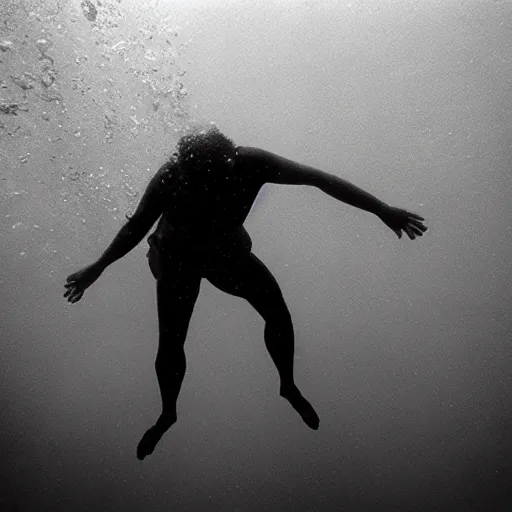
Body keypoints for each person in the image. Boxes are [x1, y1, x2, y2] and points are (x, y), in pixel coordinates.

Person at [64, 125, 427, 460]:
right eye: (201, 182)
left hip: (226, 254)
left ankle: (287, 385)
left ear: (229, 160)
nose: (209, 188)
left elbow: (320, 180)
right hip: (177, 261)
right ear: (187, 173)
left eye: (217, 180)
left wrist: (382, 209)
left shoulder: (250, 163)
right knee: (171, 343)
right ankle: (167, 414)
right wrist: (97, 267)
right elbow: (135, 227)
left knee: (277, 312)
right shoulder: (171, 178)